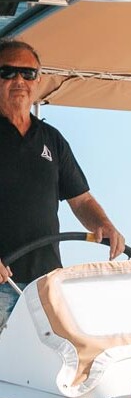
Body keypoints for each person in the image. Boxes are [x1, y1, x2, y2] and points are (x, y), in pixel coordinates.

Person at [0, 39, 124, 327]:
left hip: (47, 283)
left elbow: (81, 200)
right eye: (8, 72)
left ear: (38, 80)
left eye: (27, 73)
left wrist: (103, 224)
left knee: (48, 365)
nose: (19, 80)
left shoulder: (52, 139)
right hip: (3, 284)